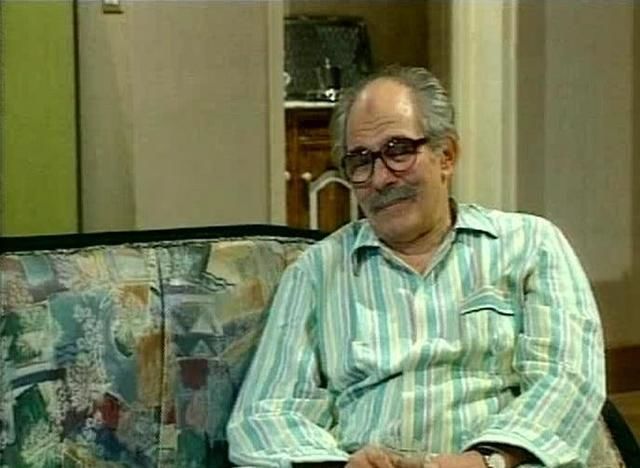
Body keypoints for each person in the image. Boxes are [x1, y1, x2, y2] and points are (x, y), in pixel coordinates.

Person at [227, 66, 605, 468]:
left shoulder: (530, 244)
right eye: (360, 160)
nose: (380, 179)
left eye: (398, 151)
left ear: (447, 156)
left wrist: (485, 460)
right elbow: (263, 415)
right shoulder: (316, 272)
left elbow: (569, 378)